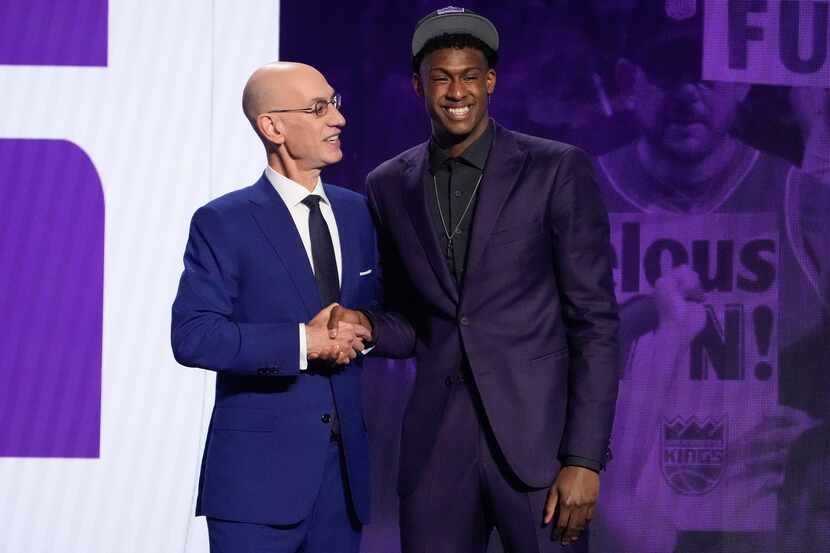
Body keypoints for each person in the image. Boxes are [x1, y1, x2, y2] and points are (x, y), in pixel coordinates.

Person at [330, 7, 619, 552]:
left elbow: (596, 324)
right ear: (419, 85)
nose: (455, 90)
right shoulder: (389, 184)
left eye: (469, 76)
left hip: (538, 452)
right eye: (441, 77)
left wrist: (583, 459)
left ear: (489, 82)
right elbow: (411, 321)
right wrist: (362, 325)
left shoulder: (556, 169)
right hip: (437, 452)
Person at [591, 2, 829, 551]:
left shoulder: (804, 205)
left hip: (767, 528)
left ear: (742, 83)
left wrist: (819, 438)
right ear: (632, 81)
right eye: (668, 70)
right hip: (607, 518)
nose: (688, 92)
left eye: (707, 72)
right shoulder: (575, 199)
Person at [171, 62, 377, 553]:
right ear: (272, 126)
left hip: (343, 487)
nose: (338, 119)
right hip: (254, 490)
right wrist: (303, 342)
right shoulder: (223, 221)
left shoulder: (359, 213)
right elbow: (194, 335)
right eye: (318, 108)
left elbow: (385, 315)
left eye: (335, 103)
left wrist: (366, 327)